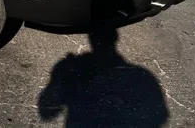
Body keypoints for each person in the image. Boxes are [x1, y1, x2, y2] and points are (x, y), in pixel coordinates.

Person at [38, 27, 169, 127]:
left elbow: (47, 112)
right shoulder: (143, 76)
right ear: (116, 38)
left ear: (90, 38)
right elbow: (161, 117)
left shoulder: (76, 68)